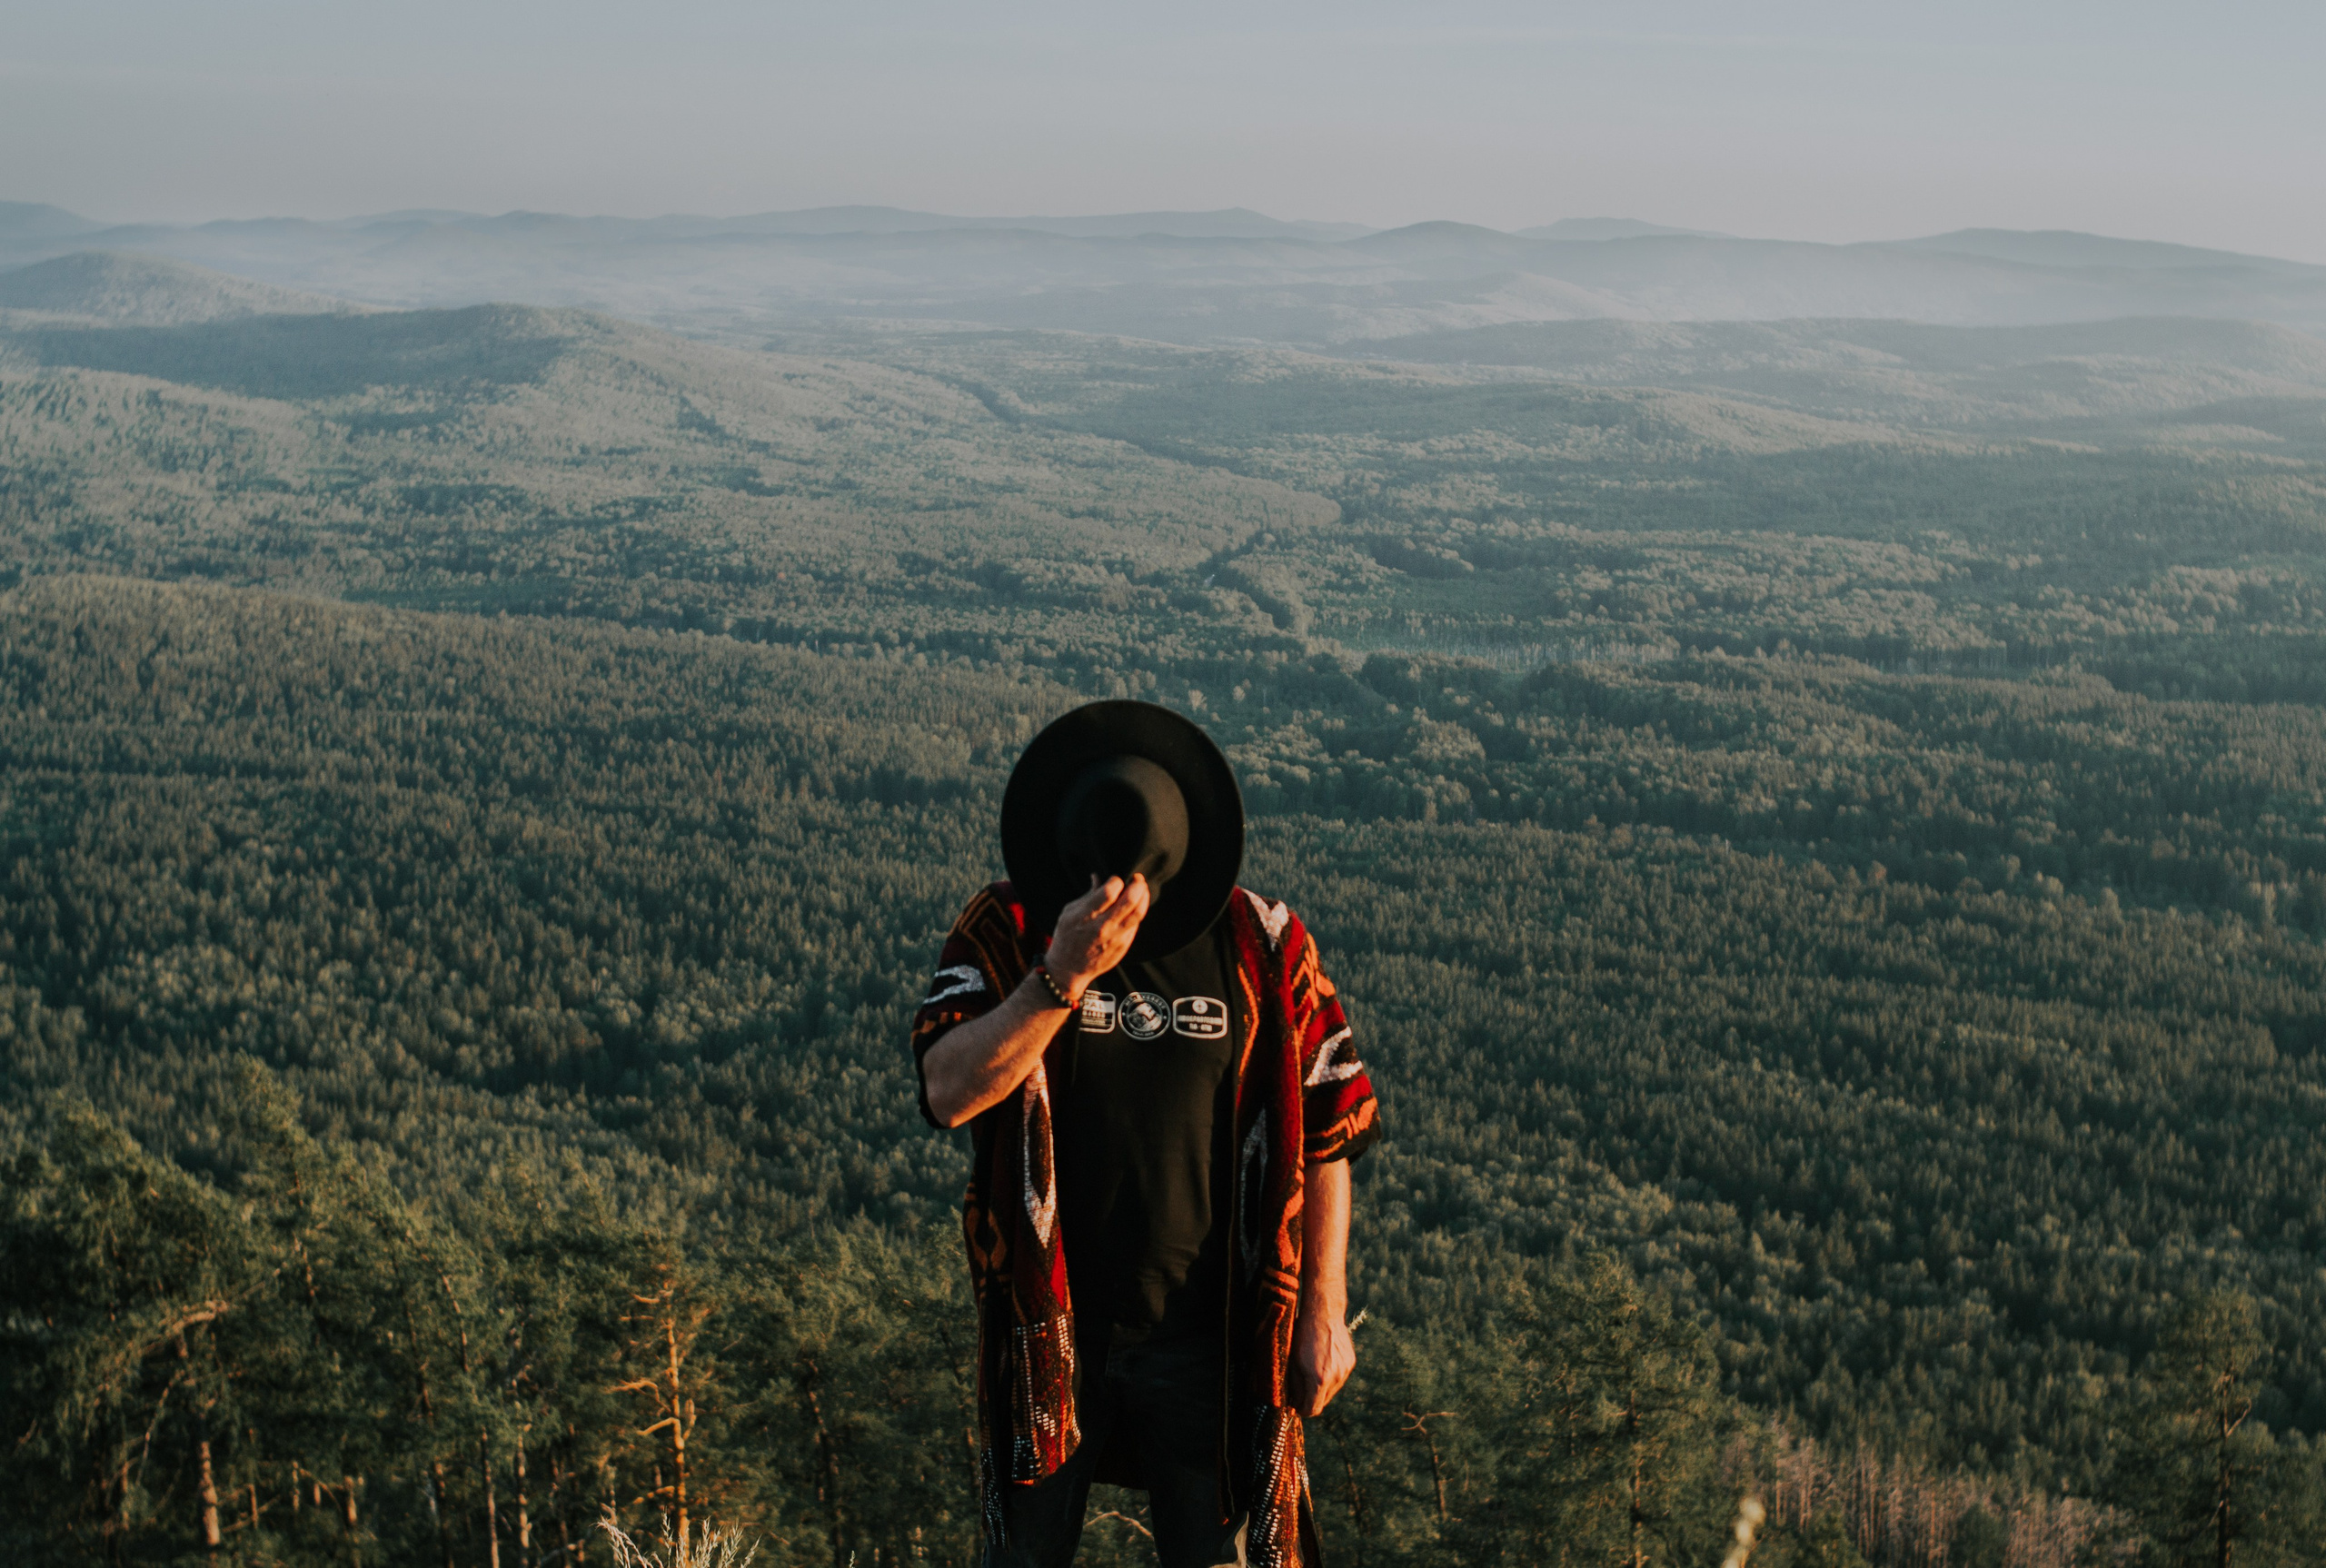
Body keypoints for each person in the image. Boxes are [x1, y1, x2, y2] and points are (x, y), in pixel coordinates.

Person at [911, 700, 1382, 1568]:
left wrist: (1322, 1306)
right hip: (1048, 1328)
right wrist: (1059, 977)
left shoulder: (1264, 942)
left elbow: (1330, 1124)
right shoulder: (1010, 931)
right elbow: (947, 1090)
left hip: (1216, 1340)